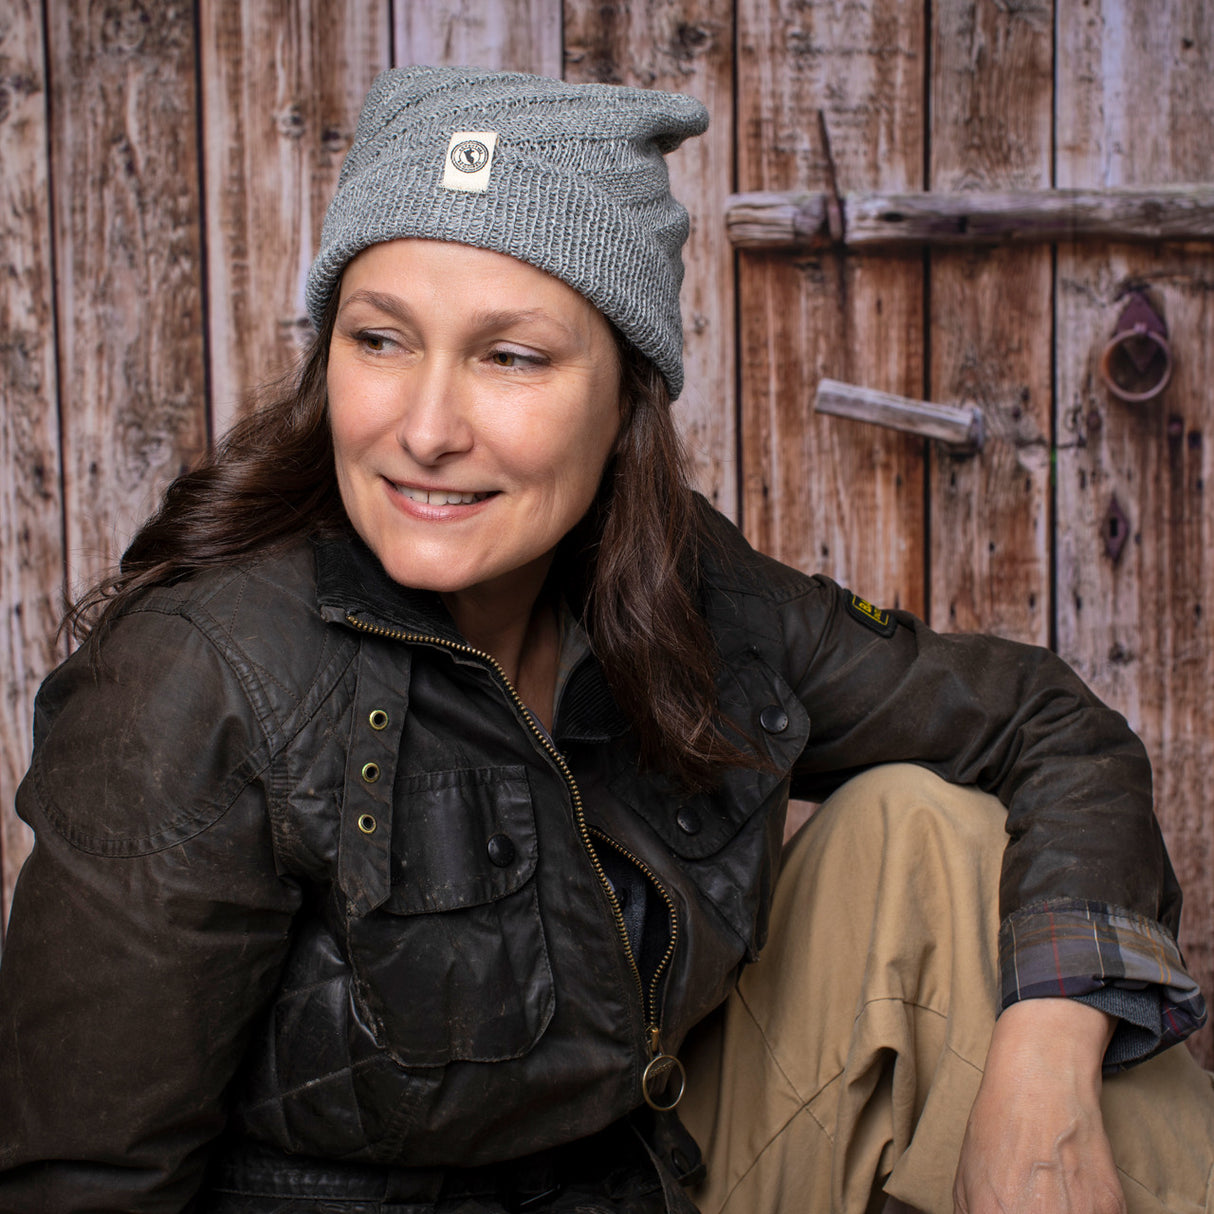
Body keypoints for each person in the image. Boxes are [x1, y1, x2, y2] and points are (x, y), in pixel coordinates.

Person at [0, 65, 1210, 1214]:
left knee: (926, 834)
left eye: (508, 357)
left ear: (626, 396)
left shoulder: (673, 581)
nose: (424, 428)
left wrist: (1046, 1052)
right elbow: (81, 1179)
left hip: (653, 1166)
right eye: (378, 339)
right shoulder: (196, 676)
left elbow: (1046, 722)